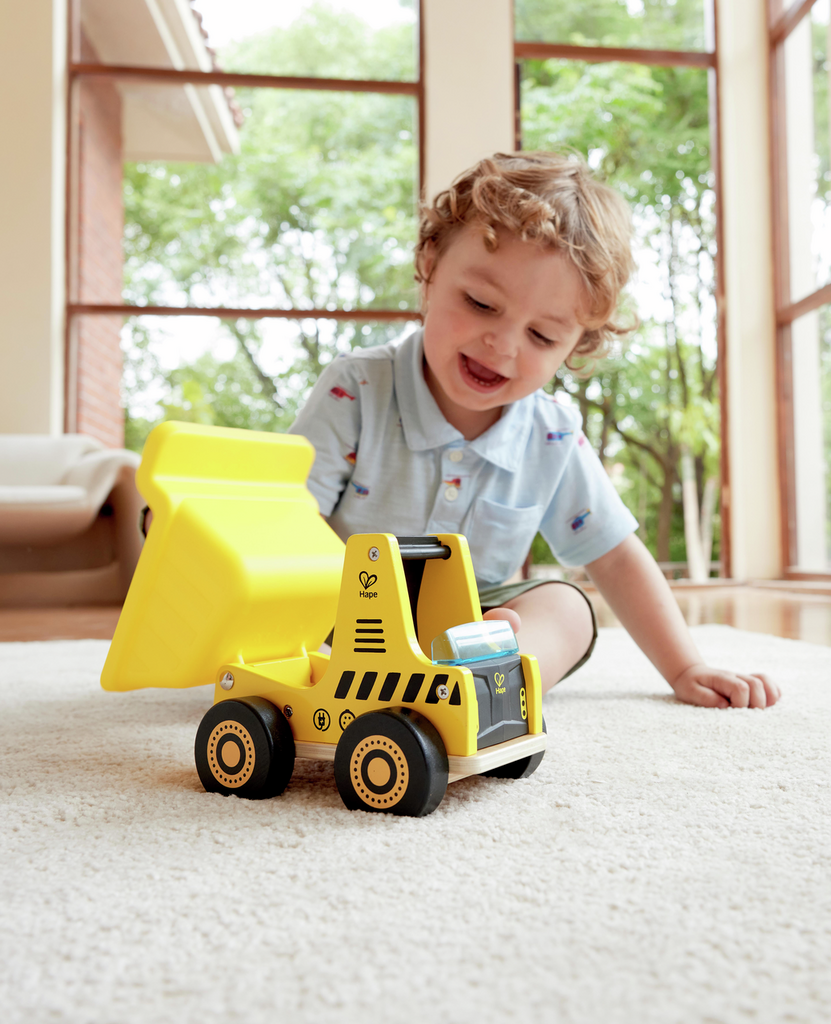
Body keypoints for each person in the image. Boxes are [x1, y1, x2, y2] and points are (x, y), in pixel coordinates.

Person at [289, 152, 779, 709]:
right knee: (291, 586)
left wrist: (686, 666)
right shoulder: (355, 388)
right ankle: (410, 685)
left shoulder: (551, 433)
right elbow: (288, 521)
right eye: (479, 303)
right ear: (429, 267)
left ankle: (482, 692)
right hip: (348, 623)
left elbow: (615, 557)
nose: (503, 344)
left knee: (568, 608)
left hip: (469, 635)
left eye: (543, 336)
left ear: (576, 347)